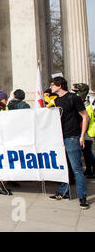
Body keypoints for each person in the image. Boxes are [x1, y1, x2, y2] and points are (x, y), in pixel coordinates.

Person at [48, 77, 90, 209]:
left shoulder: (73, 98)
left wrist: (82, 136)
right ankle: (63, 192)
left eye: (53, 85)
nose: (51, 87)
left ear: (60, 85)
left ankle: (82, 197)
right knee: (63, 166)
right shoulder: (56, 100)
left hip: (72, 136)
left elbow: (85, 116)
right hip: (59, 137)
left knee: (76, 168)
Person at [72, 83, 95, 180]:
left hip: (87, 132)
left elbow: (85, 120)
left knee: (88, 153)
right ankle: (89, 171)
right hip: (86, 132)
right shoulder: (87, 105)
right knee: (86, 154)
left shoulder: (86, 107)